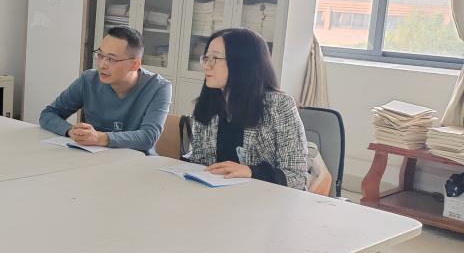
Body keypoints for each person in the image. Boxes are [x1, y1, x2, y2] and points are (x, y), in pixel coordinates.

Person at [188, 28, 309, 189]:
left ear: (242, 64)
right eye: (206, 58)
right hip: (216, 196)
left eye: (215, 58)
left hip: (265, 199)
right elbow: (199, 163)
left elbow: (297, 177)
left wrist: (251, 172)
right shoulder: (209, 103)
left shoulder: (280, 105)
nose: (206, 66)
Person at [40, 27, 172, 151]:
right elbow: (48, 114)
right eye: (100, 55)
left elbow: (148, 137)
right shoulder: (88, 80)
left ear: (135, 64)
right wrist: (71, 131)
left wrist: (99, 138)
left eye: (111, 59)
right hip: (92, 158)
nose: (102, 65)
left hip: (136, 161)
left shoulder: (159, 87)